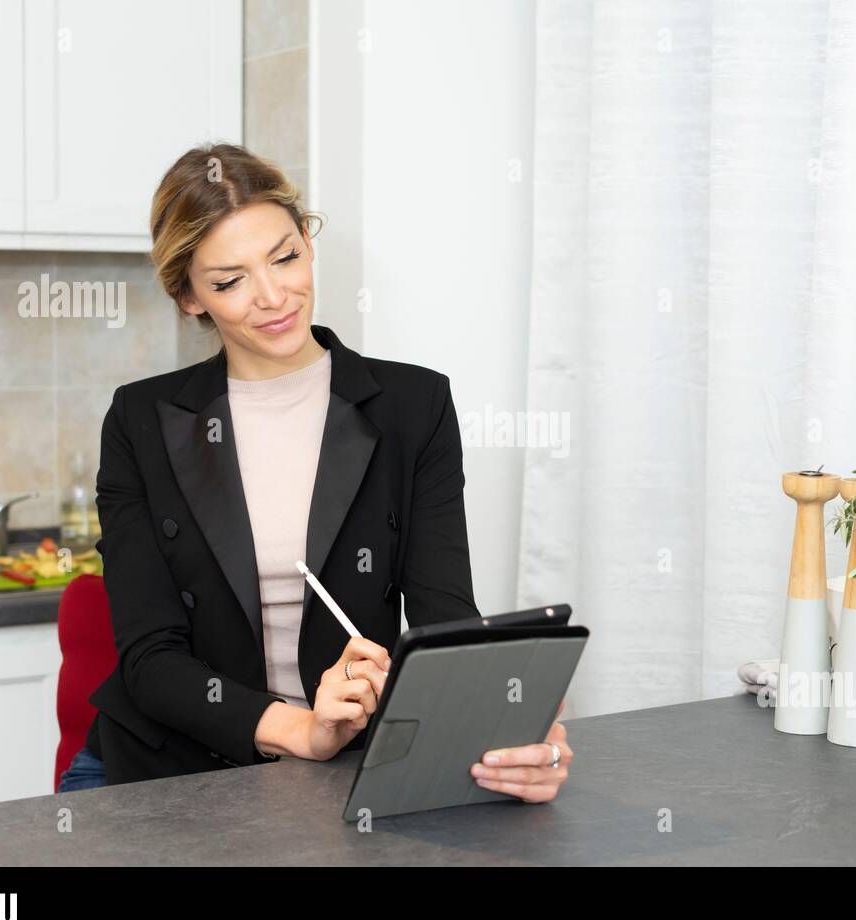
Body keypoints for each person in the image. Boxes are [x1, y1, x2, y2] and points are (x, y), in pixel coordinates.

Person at [59, 144, 573, 804]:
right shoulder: (140, 419)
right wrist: (304, 730)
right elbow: (150, 660)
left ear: (307, 239)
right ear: (188, 296)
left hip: (340, 775)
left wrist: (516, 733)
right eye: (229, 281)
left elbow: (446, 622)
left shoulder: (413, 408)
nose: (273, 297)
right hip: (164, 771)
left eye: (285, 256)